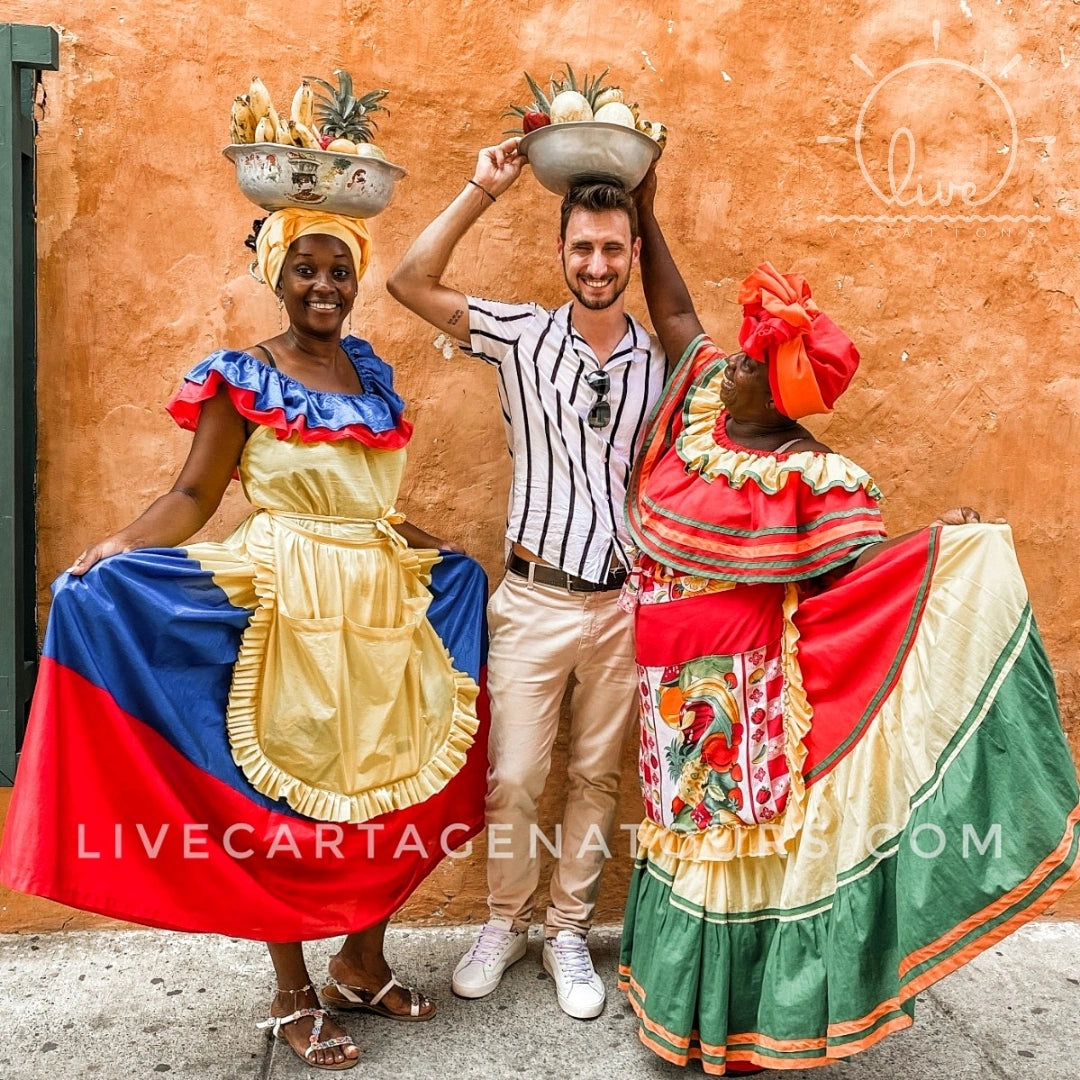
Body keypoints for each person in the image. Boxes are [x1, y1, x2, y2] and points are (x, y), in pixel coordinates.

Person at [0, 207, 492, 1071]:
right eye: (306, 269)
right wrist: (121, 545)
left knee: (381, 785)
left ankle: (360, 963)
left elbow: (364, 502)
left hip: (377, 608)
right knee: (284, 800)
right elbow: (194, 495)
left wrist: (434, 549)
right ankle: (290, 990)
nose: (325, 287)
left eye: (340, 270)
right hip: (287, 601)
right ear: (277, 274)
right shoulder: (245, 378)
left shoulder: (370, 375)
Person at [616, 169, 1080, 1074]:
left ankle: (747, 1023)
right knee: (681, 835)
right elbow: (674, 315)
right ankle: (681, 1007)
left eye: (754, 363)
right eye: (744, 353)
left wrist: (949, 550)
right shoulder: (708, 401)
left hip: (741, 701)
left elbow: (870, 582)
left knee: (733, 850)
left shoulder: (813, 479)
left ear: (783, 397)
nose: (733, 362)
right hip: (666, 683)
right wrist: (646, 211)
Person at [386, 139, 668, 1019]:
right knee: (511, 775)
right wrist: (480, 187)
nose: (597, 263)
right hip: (534, 595)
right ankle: (504, 920)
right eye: (582, 247)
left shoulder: (660, 361)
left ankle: (568, 931)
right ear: (561, 252)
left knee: (594, 777)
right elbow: (408, 281)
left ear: (631, 254)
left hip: (622, 600)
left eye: (613, 248)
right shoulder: (518, 335)